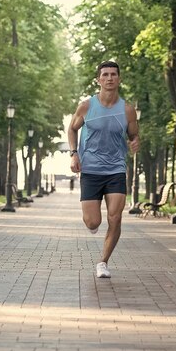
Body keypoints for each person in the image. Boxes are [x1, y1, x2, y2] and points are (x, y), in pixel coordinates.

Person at [68, 60, 140, 278]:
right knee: (93, 222)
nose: (109, 78)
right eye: (105, 75)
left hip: (116, 169)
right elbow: (72, 129)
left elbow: (134, 135)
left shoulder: (127, 110)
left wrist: (135, 142)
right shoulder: (87, 106)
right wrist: (74, 153)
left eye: (113, 74)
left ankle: (103, 262)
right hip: (90, 169)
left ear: (119, 79)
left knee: (115, 217)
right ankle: (93, 224)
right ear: (99, 79)